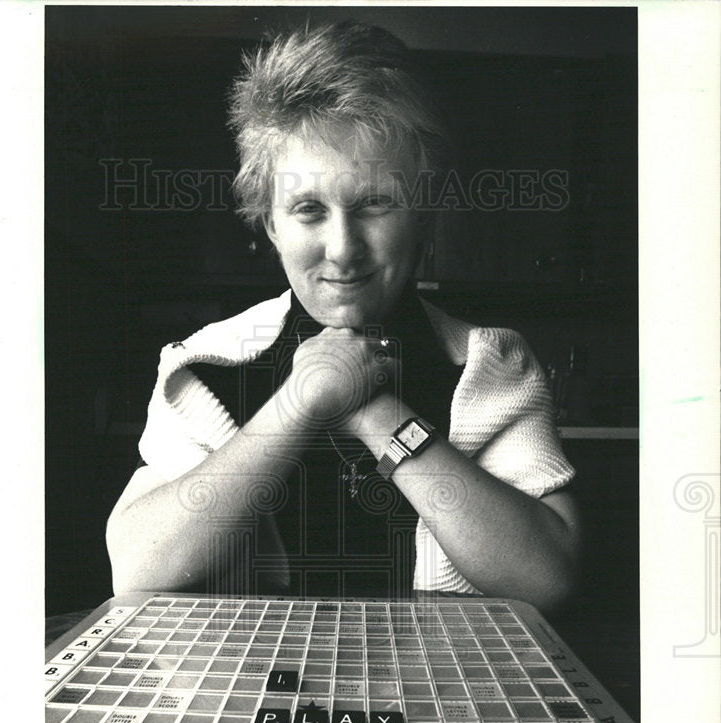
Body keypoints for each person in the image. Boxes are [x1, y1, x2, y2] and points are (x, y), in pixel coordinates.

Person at [107, 21, 580, 613]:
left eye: (376, 203)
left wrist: (377, 412)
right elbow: (135, 568)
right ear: (270, 224)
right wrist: (298, 402)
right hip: (255, 686)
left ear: (425, 215)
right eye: (308, 210)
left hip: (439, 689)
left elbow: (548, 579)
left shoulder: (490, 365)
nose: (343, 248)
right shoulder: (203, 367)